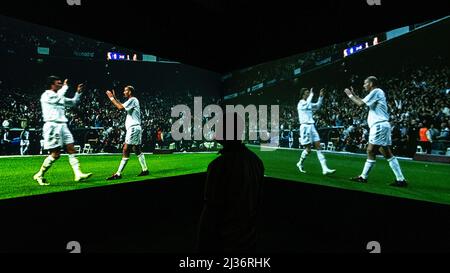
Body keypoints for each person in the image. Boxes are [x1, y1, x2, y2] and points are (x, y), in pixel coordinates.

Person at [197, 112, 264, 253]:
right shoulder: (256, 161)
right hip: (250, 240)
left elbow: (210, 212)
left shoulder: (218, 166)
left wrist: (201, 247)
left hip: (225, 242)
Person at [344, 76, 407, 187]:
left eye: (365, 83)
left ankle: (363, 177)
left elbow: (360, 104)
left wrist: (349, 95)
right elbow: (363, 101)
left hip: (379, 126)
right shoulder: (377, 93)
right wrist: (354, 95)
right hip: (383, 125)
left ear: (371, 83)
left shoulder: (376, 91)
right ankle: (401, 179)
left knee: (370, 151)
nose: (364, 85)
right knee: (387, 153)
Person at [33, 76, 92, 186]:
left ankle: (78, 174)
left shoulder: (59, 96)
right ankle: (39, 174)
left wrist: (78, 93)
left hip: (63, 125)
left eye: (61, 83)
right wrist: (65, 87)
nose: (61, 85)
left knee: (71, 149)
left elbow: (73, 103)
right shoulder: (46, 95)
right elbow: (56, 98)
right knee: (56, 154)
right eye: (58, 83)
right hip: (52, 125)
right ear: (52, 85)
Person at [105, 85, 149, 180]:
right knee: (137, 149)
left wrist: (111, 98)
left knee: (125, 149)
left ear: (130, 92)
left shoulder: (133, 99)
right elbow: (122, 106)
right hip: (135, 127)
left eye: (125, 91)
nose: (124, 92)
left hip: (133, 128)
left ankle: (118, 174)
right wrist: (116, 99)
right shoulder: (133, 100)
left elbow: (120, 107)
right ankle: (145, 170)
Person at [296, 88, 335, 175]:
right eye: (307, 93)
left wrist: (320, 97)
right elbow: (307, 105)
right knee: (308, 149)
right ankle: (300, 163)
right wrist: (312, 95)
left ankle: (325, 169)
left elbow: (317, 106)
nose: (308, 94)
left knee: (318, 146)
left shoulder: (308, 103)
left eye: (308, 93)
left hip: (312, 126)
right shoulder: (301, 103)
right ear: (303, 94)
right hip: (305, 127)